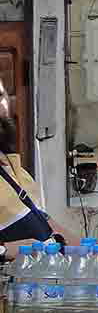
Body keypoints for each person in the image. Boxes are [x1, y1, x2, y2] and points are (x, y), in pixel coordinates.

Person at [0, 75, 75, 253]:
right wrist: (5, 251)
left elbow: (43, 221)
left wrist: (95, 251)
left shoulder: (9, 162)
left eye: (1, 96)